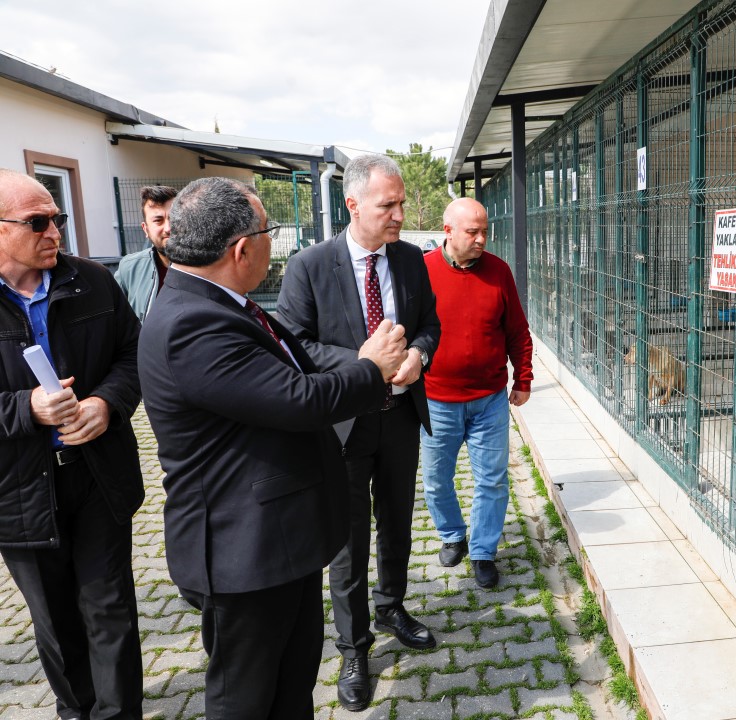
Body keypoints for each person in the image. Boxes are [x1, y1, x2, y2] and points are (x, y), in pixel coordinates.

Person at [138, 177, 407, 720]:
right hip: (245, 554)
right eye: (269, 232)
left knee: (290, 684)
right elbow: (299, 399)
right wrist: (371, 368)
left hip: (279, 543)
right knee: (246, 697)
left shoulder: (221, 302)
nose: (271, 242)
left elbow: (294, 371)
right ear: (241, 249)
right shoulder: (194, 323)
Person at [277, 154, 440, 712]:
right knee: (347, 541)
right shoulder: (309, 265)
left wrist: (418, 353)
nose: (398, 214)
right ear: (353, 205)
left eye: (400, 204)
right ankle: (353, 647)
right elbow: (295, 344)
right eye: (387, 205)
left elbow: (429, 324)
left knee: (397, 523)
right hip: (342, 427)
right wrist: (364, 364)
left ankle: (392, 605)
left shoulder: (413, 260)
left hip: (399, 417)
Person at [0, 169, 144, 719]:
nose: (55, 231)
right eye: (37, 222)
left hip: (96, 473)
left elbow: (134, 355)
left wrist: (106, 404)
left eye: (56, 219)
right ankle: (75, 710)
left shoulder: (92, 281)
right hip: (19, 488)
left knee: (110, 609)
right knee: (57, 620)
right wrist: (26, 409)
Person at [421, 197, 533, 589]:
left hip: (489, 400)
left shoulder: (499, 272)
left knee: (492, 480)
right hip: (436, 400)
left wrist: (523, 378)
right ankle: (453, 535)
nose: (482, 239)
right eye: (473, 231)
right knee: (436, 479)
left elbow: (517, 330)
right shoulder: (423, 271)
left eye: (485, 230)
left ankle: (484, 551)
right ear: (448, 230)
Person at [115, 185, 177, 321]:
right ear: (145, 229)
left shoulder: (208, 266)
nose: (168, 228)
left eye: (174, 219)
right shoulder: (129, 268)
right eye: (158, 220)